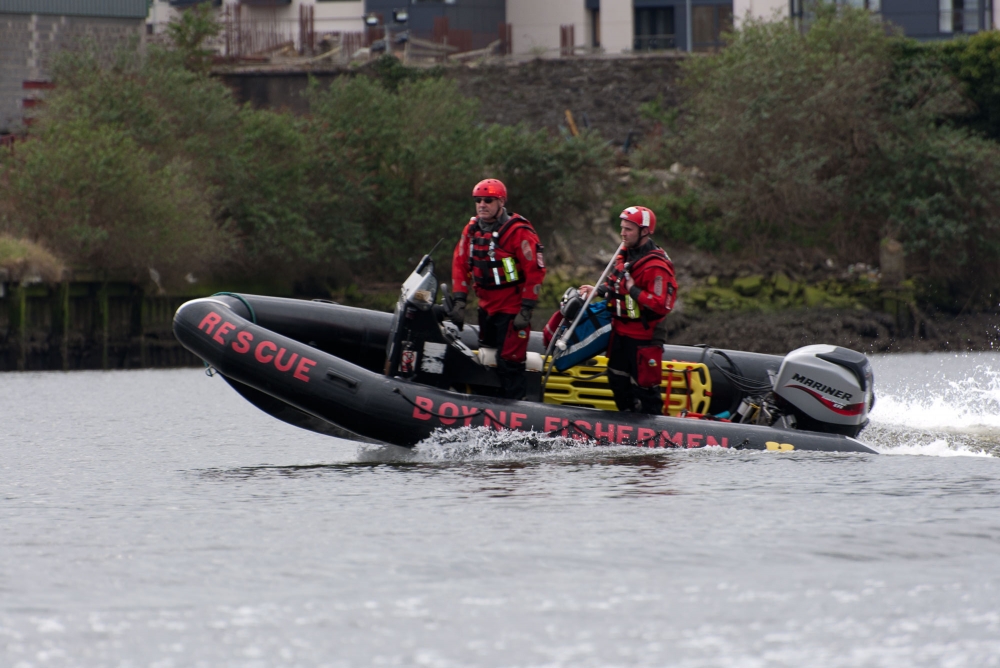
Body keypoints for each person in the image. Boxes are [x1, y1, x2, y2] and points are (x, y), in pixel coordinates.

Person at [450, 179, 546, 400]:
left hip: (512, 310)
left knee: (510, 362)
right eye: (478, 200)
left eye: (488, 200)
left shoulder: (519, 232)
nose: (482, 204)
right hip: (486, 308)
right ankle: (487, 403)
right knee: (488, 359)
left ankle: (517, 409)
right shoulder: (472, 230)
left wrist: (527, 308)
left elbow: (535, 271)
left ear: (501, 201)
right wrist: (459, 301)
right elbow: (460, 264)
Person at [580, 206, 677, 414]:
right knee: (616, 378)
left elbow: (662, 304)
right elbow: (616, 288)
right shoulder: (624, 255)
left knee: (645, 387)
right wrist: (598, 291)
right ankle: (628, 417)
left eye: (629, 229)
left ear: (644, 231)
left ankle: (652, 426)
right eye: (622, 228)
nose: (623, 233)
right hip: (621, 331)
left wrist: (633, 289)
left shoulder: (656, 266)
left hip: (645, 335)